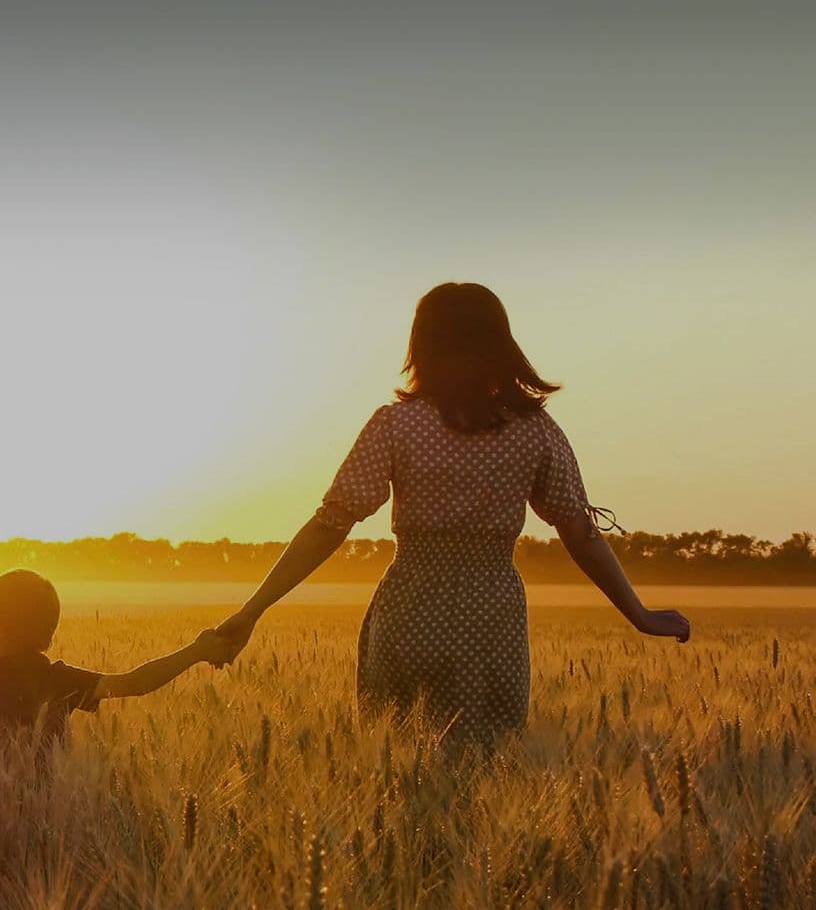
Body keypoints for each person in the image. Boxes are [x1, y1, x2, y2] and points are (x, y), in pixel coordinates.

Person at [208, 283, 690, 746]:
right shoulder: (535, 430)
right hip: (491, 616)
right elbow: (581, 534)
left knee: (398, 764)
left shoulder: (395, 425)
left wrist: (252, 611)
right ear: (501, 345)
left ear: (421, 346)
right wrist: (639, 614)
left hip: (409, 611)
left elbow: (328, 526)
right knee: (487, 763)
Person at [0, 569, 229, 742]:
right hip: (51, 814)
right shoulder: (60, 681)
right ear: (47, 634)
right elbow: (137, 683)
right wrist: (195, 651)